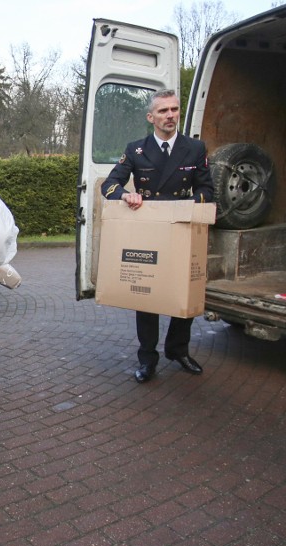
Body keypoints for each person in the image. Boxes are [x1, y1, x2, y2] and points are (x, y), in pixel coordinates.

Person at [100, 89, 215, 383]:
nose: (170, 116)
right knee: (146, 295)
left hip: (180, 228)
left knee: (183, 288)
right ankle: (147, 359)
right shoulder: (136, 149)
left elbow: (206, 189)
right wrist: (126, 196)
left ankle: (178, 350)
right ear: (151, 117)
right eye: (163, 111)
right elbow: (111, 183)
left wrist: (192, 206)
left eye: (174, 110)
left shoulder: (195, 148)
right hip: (148, 230)